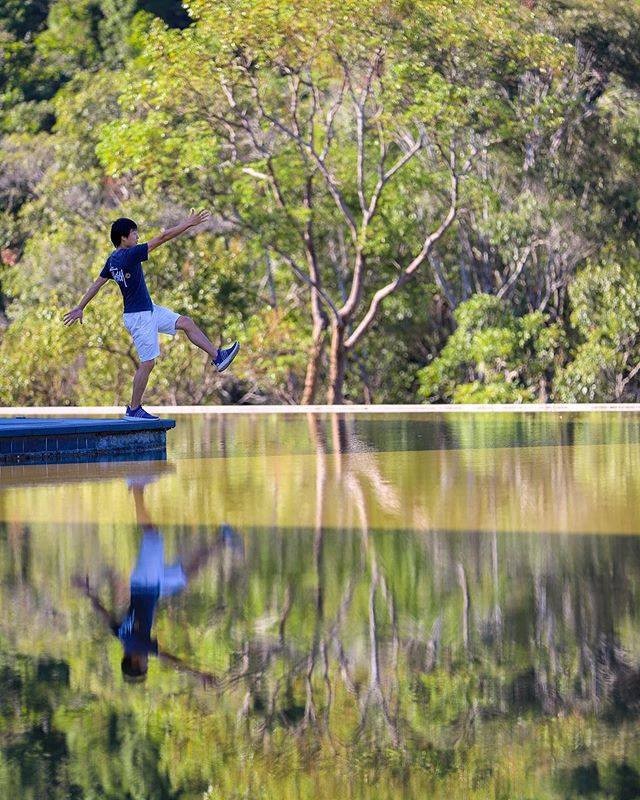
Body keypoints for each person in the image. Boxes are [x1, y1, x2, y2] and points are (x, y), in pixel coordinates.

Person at [63, 211, 239, 420]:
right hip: (139, 317)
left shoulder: (112, 260)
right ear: (123, 238)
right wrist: (187, 224)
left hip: (149, 310)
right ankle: (134, 409)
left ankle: (218, 357)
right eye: (134, 233)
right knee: (148, 363)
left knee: (185, 322)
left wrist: (80, 306)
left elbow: (97, 284)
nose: (137, 237)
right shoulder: (129, 255)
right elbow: (163, 237)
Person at [73, 478, 243, 683]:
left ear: (135, 661)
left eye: (144, 666)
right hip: (155, 588)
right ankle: (223, 538)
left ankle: (136, 490)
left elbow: (169, 660)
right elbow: (104, 614)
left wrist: (198, 675)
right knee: (188, 575)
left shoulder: (137, 645)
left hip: (146, 582)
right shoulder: (123, 638)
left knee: (153, 536)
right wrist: (87, 592)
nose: (147, 662)